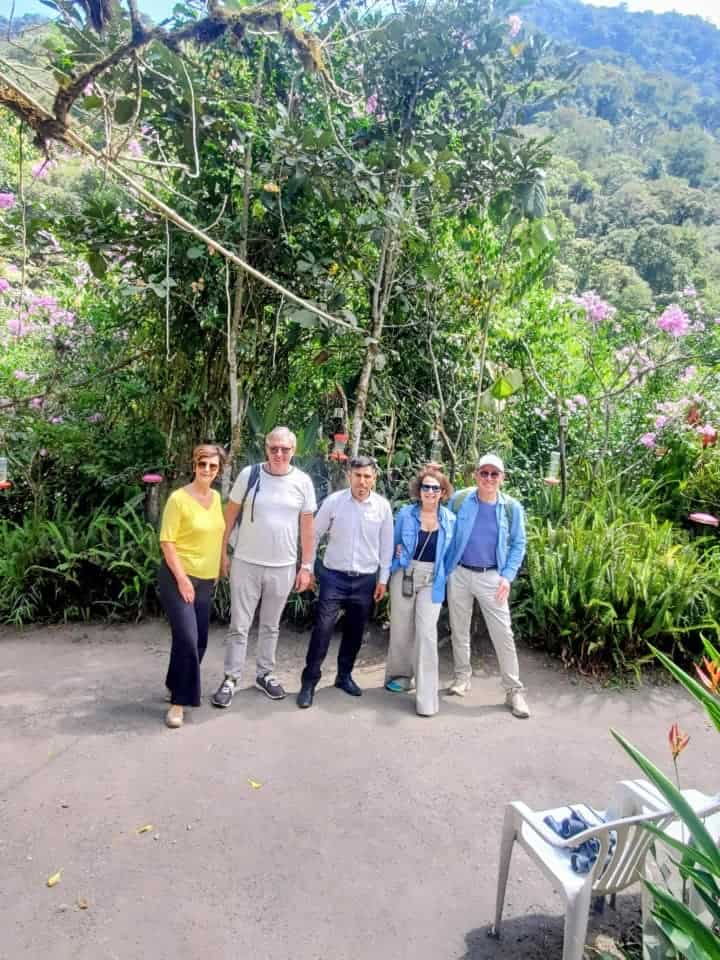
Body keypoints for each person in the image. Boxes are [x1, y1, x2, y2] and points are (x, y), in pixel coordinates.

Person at [212, 427, 316, 707]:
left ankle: (265, 674)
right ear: (266, 449)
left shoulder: (303, 482)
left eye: (285, 449)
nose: (279, 454)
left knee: (271, 626)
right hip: (246, 562)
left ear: (294, 451)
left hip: (282, 566)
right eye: (274, 448)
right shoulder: (250, 475)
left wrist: (306, 565)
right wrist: (222, 553)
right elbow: (228, 516)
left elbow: (307, 527)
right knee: (239, 625)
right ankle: (231, 678)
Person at [296, 456, 393, 708]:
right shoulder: (334, 502)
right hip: (334, 577)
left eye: (367, 476)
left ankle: (344, 676)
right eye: (358, 475)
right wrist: (308, 567)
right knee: (323, 629)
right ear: (350, 476)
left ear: (374, 478)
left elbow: (386, 547)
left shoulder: (382, 507)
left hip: (365, 580)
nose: (362, 481)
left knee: (355, 631)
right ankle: (309, 682)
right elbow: (314, 534)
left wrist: (383, 579)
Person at [444, 453, 530, 718]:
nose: (489, 479)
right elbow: (442, 526)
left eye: (495, 474)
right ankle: (462, 677)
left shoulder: (511, 507)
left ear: (502, 478)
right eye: (484, 473)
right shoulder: (460, 500)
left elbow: (518, 543)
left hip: (492, 577)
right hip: (459, 573)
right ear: (476, 475)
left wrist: (507, 576)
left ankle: (513, 691)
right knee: (459, 628)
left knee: (503, 634)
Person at [158, 443, 226, 729]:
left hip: (206, 579)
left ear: (218, 469)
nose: (207, 470)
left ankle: (175, 682)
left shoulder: (216, 497)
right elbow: (167, 542)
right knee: (187, 638)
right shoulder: (178, 499)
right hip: (178, 579)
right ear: (194, 465)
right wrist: (183, 579)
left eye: (212, 466)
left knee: (198, 642)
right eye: (202, 465)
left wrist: (223, 559)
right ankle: (178, 703)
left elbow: (218, 532)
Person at [384, 464, 456, 717]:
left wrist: (445, 577)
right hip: (405, 574)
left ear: (443, 492)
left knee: (426, 634)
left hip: (432, 579)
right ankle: (401, 676)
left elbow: (452, 554)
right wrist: (388, 571)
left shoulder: (450, 519)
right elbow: (392, 545)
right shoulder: (406, 514)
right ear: (419, 490)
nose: (430, 491)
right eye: (426, 487)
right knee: (402, 628)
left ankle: (426, 698)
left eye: (435, 488)